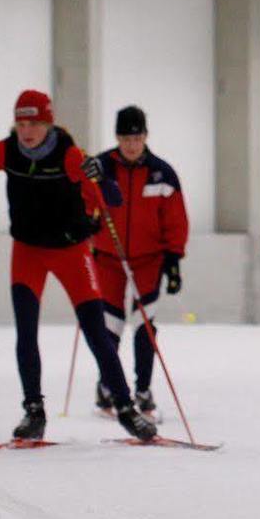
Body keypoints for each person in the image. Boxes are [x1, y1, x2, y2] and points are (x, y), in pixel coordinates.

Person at [0, 90, 155, 443]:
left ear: (48, 122)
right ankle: (34, 412)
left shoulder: (67, 154)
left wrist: (99, 176)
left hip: (71, 251)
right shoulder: (5, 151)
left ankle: (127, 410)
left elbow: (112, 199)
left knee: (96, 333)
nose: (27, 130)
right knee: (26, 333)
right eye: (21, 123)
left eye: (34, 122)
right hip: (28, 252)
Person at [89, 105, 190, 420]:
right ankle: (108, 385)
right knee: (111, 325)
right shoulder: (101, 167)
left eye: (137, 137)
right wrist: (86, 223)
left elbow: (175, 219)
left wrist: (173, 261)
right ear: (117, 137)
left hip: (149, 260)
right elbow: (82, 199)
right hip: (108, 258)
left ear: (146, 136)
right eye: (125, 138)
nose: (131, 144)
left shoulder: (163, 172)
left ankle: (143, 390)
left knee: (145, 323)